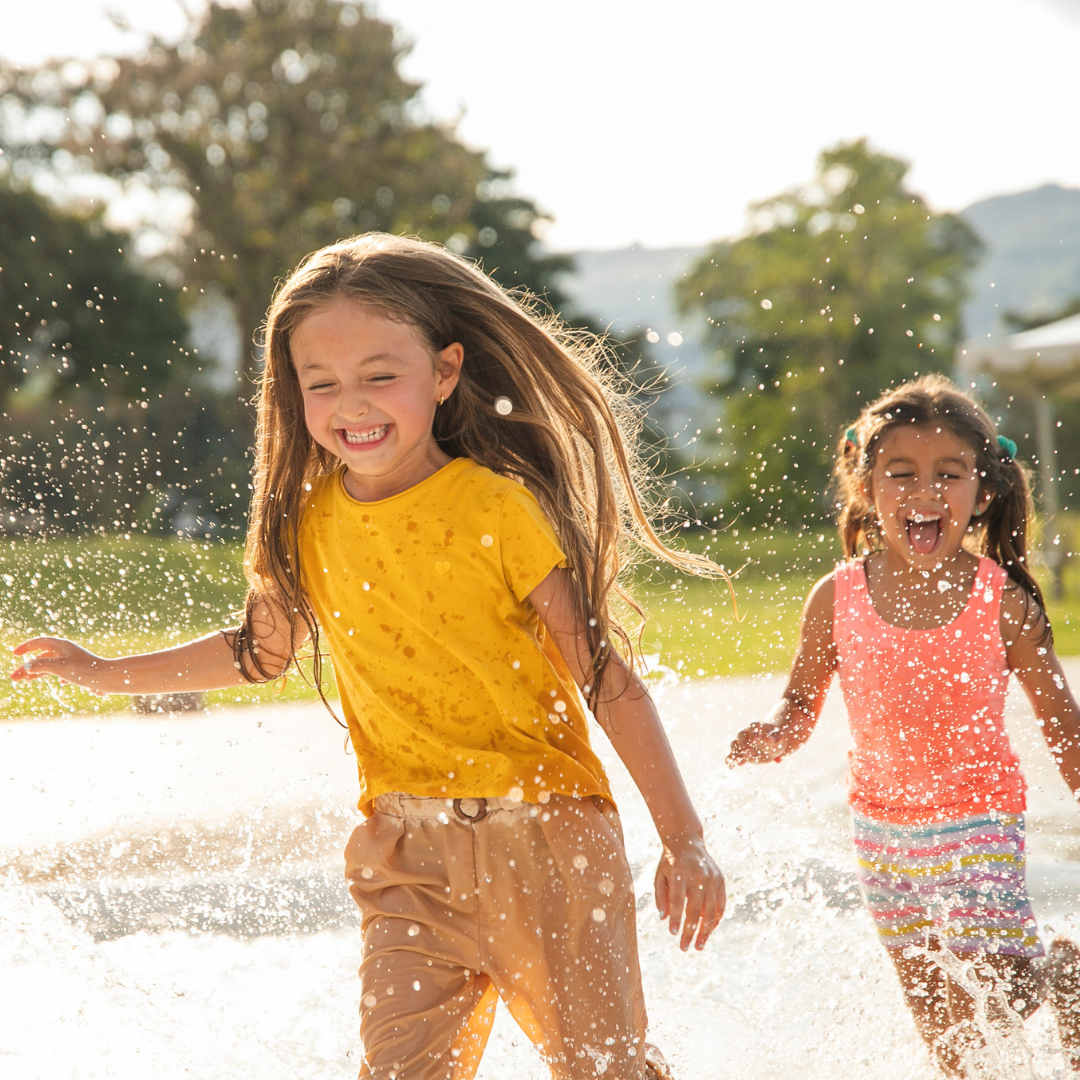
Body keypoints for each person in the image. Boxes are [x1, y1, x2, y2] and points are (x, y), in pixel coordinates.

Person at [12, 234, 725, 1080]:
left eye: (381, 375)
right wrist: (101, 672)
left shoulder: (495, 508)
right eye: (323, 383)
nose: (353, 403)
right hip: (404, 856)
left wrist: (684, 840)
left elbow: (606, 680)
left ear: (446, 372)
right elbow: (258, 654)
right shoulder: (306, 519)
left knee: (605, 1071)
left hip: (548, 846)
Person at [727, 375, 1080, 1076]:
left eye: (948, 476)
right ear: (866, 487)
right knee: (946, 1035)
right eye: (902, 475)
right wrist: (775, 733)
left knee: (999, 987)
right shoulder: (837, 595)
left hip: (977, 819)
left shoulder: (1000, 602)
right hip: (882, 835)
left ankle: (1059, 973)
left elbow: (1064, 728)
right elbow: (800, 702)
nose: (925, 494)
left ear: (982, 493)